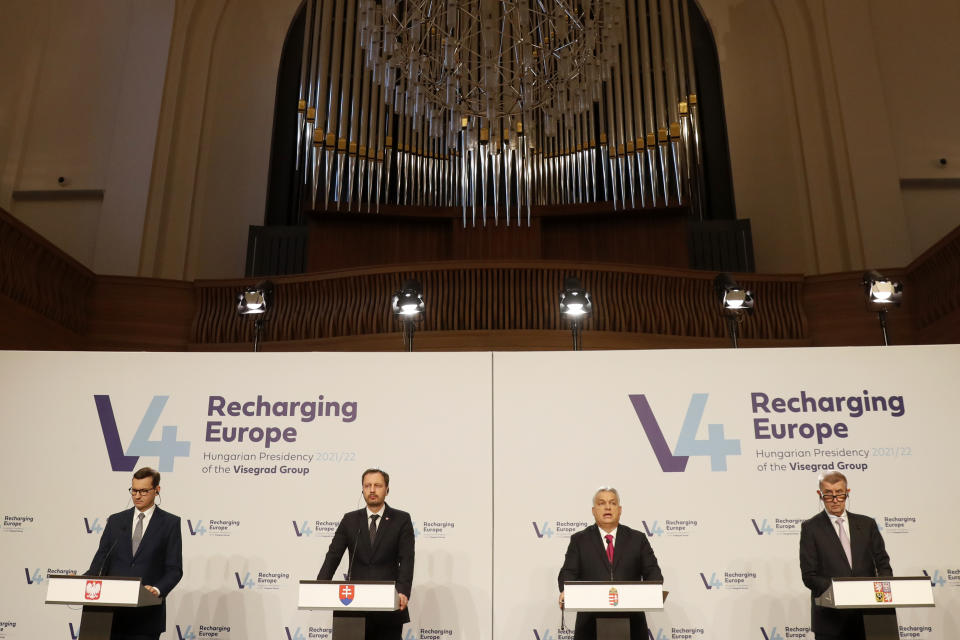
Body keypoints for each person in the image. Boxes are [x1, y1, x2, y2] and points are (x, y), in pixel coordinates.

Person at [86, 467, 183, 640]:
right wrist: (80, 581)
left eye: (144, 491)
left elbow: (174, 569)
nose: (137, 496)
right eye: (134, 490)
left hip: (146, 617)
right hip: (110, 616)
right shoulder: (116, 521)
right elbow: (100, 561)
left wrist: (156, 589)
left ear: (157, 490)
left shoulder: (170, 523)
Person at [317, 468, 415, 640]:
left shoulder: (401, 520)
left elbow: (407, 559)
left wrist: (403, 592)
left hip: (388, 607)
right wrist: (319, 587)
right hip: (353, 607)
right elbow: (333, 556)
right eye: (367, 485)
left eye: (377, 485)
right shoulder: (350, 520)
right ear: (362, 489)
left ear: (387, 489)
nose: (372, 490)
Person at [558, 487, 663, 640]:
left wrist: (654, 588)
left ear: (619, 510)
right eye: (601, 503)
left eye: (612, 503)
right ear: (593, 510)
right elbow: (568, 573)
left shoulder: (637, 539)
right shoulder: (579, 540)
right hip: (589, 624)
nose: (607, 507)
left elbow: (653, 572)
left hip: (632, 622)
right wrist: (565, 590)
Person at [799, 471, 893, 640]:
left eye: (840, 494)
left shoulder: (867, 524)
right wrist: (842, 591)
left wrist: (882, 595)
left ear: (847, 493)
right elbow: (809, 576)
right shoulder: (810, 528)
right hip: (831, 620)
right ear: (820, 495)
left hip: (869, 617)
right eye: (828, 495)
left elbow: (883, 563)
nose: (835, 500)